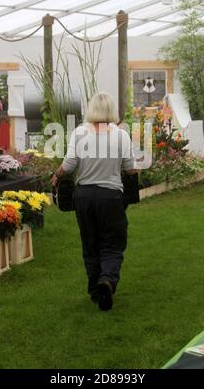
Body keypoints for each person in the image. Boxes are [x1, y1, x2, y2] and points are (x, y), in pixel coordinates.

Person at [51, 93, 137, 311]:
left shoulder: (79, 133)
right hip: (111, 196)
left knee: (90, 243)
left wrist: (56, 175)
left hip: (84, 197)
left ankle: (94, 289)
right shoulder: (121, 135)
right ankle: (107, 280)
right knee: (113, 242)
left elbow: (69, 165)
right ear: (111, 111)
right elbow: (130, 169)